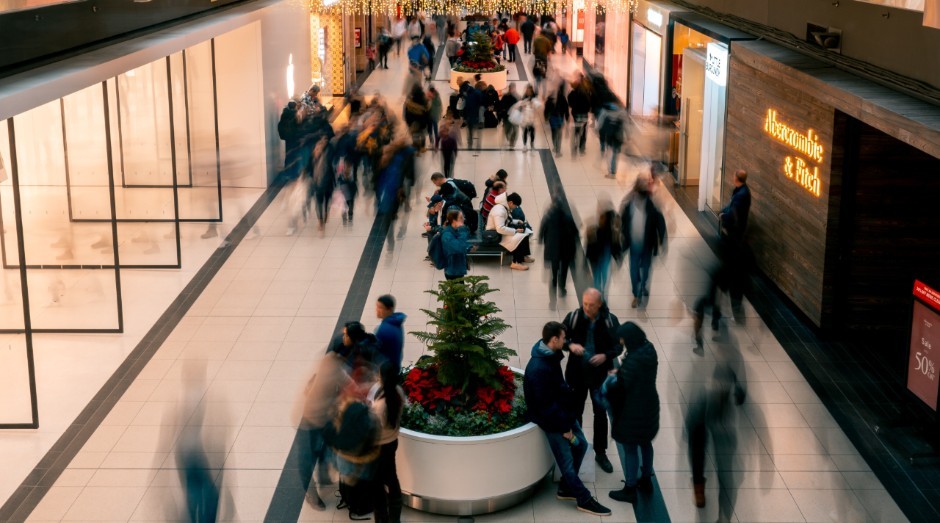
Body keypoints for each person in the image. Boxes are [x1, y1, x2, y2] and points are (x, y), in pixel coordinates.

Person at [524, 321, 612, 517]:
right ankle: (584, 499)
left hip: (563, 414)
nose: (566, 342)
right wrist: (564, 428)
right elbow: (545, 406)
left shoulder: (550, 355)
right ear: (554, 339)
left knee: (581, 446)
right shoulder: (539, 368)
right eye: (563, 338)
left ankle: (566, 488)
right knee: (567, 464)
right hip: (554, 422)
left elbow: (557, 390)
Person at [561, 288, 622, 474]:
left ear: (600, 305)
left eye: (591, 305)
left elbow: (618, 347)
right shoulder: (574, 317)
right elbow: (558, 340)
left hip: (599, 376)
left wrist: (605, 356)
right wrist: (570, 344)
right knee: (575, 413)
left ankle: (600, 452)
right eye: (585, 303)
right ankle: (575, 447)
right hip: (576, 374)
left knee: (600, 414)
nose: (587, 308)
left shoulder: (610, 321)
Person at [603, 323, 660, 505]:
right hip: (649, 406)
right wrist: (622, 371)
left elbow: (622, 387)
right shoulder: (648, 349)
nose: (621, 342)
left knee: (630, 448)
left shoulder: (633, 360)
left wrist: (614, 379)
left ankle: (630, 488)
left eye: (622, 339)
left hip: (633, 410)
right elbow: (639, 376)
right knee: (645, 443)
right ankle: (646, 479)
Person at [301, 349, 351, 510]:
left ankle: (323, 476)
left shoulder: (330, 363)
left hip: (323, 416)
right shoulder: (335, 369)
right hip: (312, 418)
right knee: (308, 456)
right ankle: (311, 493)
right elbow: (350, 387)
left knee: (324, 447)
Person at [620, 173, 667, 308]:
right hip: (634, 245)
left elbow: (661, 225)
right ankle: (636, 293)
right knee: (634, 272)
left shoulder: (652, 207)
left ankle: (643, 286)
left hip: (647, 246)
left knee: (646, 270)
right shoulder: (628, 206)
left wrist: (663, 243)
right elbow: (622, 223)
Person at [369, 363, 405, 523]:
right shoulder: (398, 393)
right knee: (392, 477)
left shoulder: (380, 406)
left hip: (378, 446)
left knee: (376, 485)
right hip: (392, 442)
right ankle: (395, 518)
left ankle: (381, 518)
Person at [719, 169, 751, 317]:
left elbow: (733, 214)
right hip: (734, 239)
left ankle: (737, 313)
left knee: (734, 276)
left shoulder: (741, 196)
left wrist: (724, 217)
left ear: (736, 178)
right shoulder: (740, 191)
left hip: (734, 237)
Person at [539, 197, 579, 304]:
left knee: (553, 274)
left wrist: (541, 241)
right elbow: (575, 232)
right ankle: (562, 288)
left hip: (552, 250)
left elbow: (542, 231)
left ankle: (552, 300)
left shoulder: (548, 216)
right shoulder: (567, 217)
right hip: (565, 250)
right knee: (564, 270)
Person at [487, 192, 532, 270]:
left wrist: (517, 221)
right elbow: (500, 228)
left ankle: (522, 257)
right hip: (496, 234)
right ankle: (515, 263)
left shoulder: (504, 207)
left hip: (501, 231)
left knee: (526, 232)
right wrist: (515, 231)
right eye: (515, 206)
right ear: (510, 202)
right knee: (519, 237)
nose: (515, 208)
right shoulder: (499, 211)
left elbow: (506, 220)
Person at [585, 202, 621, 296]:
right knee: (600, 280)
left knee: (601, 280)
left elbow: (615, 246)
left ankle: (601, 299)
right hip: (599, 259)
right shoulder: (598, 231)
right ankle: (600, 298)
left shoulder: (604, 232)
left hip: (601, 259)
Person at [309, 135, 335, 232]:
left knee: (327, 200)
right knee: (319, 202)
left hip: (328, 182)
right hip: (317, 183)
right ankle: (320, 221)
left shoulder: (329, 151)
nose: (323, 141)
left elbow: (333, 164)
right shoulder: (313, 155)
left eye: (325, 139)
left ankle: (326, 213)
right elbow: (309, 168)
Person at [374, 295, 406, 373]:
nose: (377, 310)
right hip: (395, 365)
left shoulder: (385, 329)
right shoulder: (396, 322)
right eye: (377, 307)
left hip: (386, 371)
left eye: (380, 308)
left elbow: (376, 351)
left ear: (390, 309)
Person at [441, 208, 473, 280]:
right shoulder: (447, 234)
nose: (463, 219)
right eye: (461, 218)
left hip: (458, 269)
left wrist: (468, 247)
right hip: (453, 271)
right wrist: (462, 230)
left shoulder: (455, 231)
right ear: (454, 220)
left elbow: (462, 243)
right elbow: (458, 247)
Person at [597, 102, 625, 177]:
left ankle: (610, 172)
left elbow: (600, 123)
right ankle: (613, 172)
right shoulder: (622, 112)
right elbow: (626, 125)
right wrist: (628, 136)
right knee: (615, 154)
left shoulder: (605, 111)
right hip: (619, 136)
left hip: (609, 135)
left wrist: (598, 130)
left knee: (609, 152)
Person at [511, 85, 541, 152]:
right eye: (527, 90)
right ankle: (525, 146)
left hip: (532, 119)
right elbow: (519, 105)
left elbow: (538, 106)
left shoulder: (534, 98)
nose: (528, 92)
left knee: (532, 132)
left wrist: (533, 104)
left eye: (529, 90)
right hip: (525, 118)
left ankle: (532, 144)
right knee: (525, 132)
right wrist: (522, 106)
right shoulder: (524, 98)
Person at [567, 78, 591, 155]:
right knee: (583, 131)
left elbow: (570, 104)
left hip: (576, 115)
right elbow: (589, 103)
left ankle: (575, 146)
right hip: (584, 115)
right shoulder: (585, 93)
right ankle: (582, 149)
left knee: (576, 131)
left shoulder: (572, 94)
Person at [545, 83, 569, 156]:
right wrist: (567, 118)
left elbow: (546, 109)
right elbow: (566, 108)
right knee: (559, 133)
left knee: (554, 132)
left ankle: (555, 147)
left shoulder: (550, 98)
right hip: (560, 117)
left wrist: (546, 117)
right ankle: (558, 150)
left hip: (552, 118)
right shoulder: (562, 97)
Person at [498, 84, 519, 149]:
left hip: (515, 116)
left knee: (515, 130)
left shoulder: (517, 97)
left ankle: (512, 140)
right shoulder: (505, 97)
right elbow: (501, 105)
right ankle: (509, 138)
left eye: (513, 88)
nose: (511, 90)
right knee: (507, 130)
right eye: (510, 88)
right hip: (507, 116)